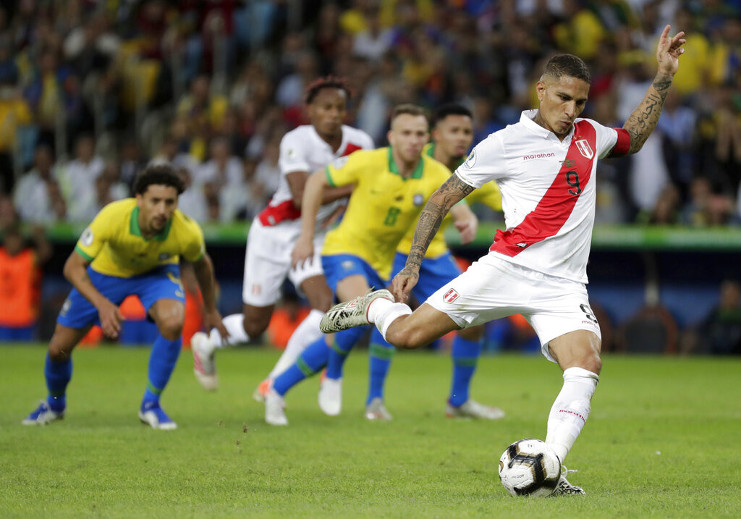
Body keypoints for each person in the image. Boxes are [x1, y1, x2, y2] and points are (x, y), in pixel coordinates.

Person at [319, 26, 686, 494]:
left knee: (586, 365)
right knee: (405, 335)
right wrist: (412, 264)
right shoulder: (503, 143)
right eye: (563, 98)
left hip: (562, 287)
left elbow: (633, 136)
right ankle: (374, 307)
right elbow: (439, 200)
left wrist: (663, 78)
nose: (572, 111)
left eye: (580, 102)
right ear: (541, 90)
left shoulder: (591, 135)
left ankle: (550, 467)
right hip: (504, 269)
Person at [263, 104, 476, 425]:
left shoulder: (434, 171)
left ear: (427, 138)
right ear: (391, 136)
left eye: (419, 134)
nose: (413, 140)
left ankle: (279, 388)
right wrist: (306, 237)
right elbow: (316, 182)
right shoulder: (368, 162)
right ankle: (333, 376)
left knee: (350, 326)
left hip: (380, 262)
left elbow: (455, 204)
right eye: (406, 133)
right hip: (343, 251)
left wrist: (467, 218)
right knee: (366, 310)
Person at [322, 103, 505, 419]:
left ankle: (458, 400)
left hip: (435, 256)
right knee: (392, 316)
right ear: (436, 135)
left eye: (467, 132)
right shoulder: (414, 154)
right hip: (394, 253)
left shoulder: (472, 170)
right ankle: (374, 400)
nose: (462, 138)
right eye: (454, 131)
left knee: (475, 317)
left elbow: (509, 202)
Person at [190, 76, 374, 392]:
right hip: (273, 234)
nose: (333, 114)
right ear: (310, 110)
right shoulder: (296, 140)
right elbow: (303, 196)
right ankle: (206, 343)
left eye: (339, 108)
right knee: (254, 324)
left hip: (316, 237)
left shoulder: (361, 143)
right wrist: (354, 187)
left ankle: (274, 383)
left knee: (324, 307)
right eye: (325, 107)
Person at [22, 164, 227, 430]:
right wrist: (102, 304)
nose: (162, 210)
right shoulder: (113, 216)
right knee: (58, 349)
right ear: (139, 199)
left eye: (170, 202)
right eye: (155, 201)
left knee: (174, 323)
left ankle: (151, 405)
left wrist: (210, 309)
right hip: (106, 274)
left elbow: (203, 265)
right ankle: (55, 403)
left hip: (157, 273)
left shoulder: (186, 231)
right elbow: (72, 267)